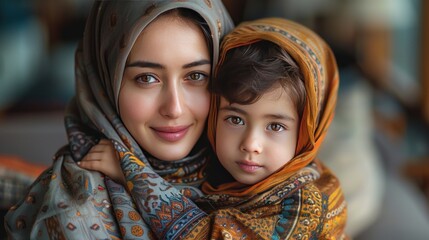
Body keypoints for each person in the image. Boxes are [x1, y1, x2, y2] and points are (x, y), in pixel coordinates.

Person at [79, 17, 348, 239]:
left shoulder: (307, 204)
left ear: (309, 129)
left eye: (275, 126)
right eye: (235, 119)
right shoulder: (214, 173)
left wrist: (132, 173)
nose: (250, 144)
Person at [4, 0, 233, 239]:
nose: (174, 108)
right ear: (105, 81)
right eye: (146, 78)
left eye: (196, 75)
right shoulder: (75, 209)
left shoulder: (253, 174)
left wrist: (133, 174)